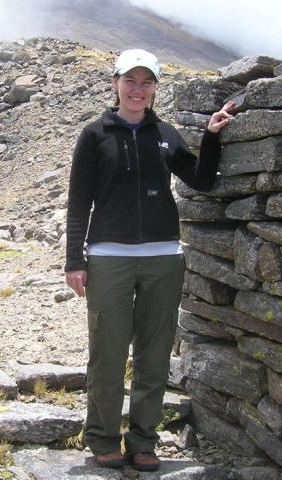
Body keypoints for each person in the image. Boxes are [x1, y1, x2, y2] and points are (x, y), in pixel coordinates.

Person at [65, 48, 233, 471]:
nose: (138, 90)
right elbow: (78, 202)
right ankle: (103, 439)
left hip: (163, 258)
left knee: (154, 356)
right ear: (115, 84)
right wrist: (75, 260)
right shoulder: (94, 134)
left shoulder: (166, 133)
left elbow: (202, 181)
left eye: (146, 82)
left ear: (155, 87)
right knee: (108, 352)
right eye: (130, 81)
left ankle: (143, 442)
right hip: (108, 258)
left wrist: (211, 136)